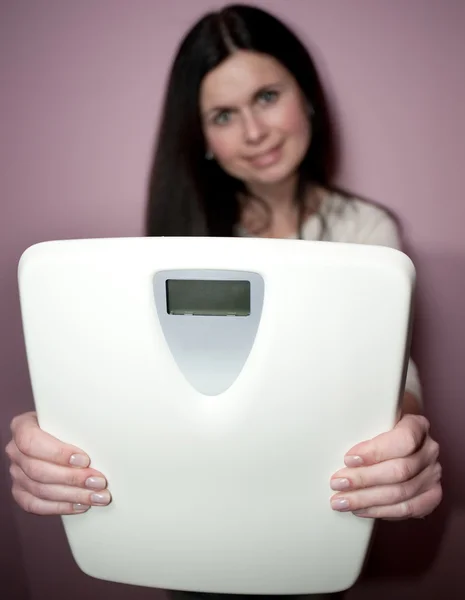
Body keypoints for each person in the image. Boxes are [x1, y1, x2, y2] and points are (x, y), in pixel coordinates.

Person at [5, 3, 442, 600]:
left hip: (308, 530)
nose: (254, 132)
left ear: (306, 95)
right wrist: (54, 432)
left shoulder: (366, 231)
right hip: (187, 536)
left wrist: (406, 433)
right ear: (203, 136)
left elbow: (394, 369)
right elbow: (133, 389)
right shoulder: (174, 246)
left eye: (266, 97)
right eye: (223, 114)